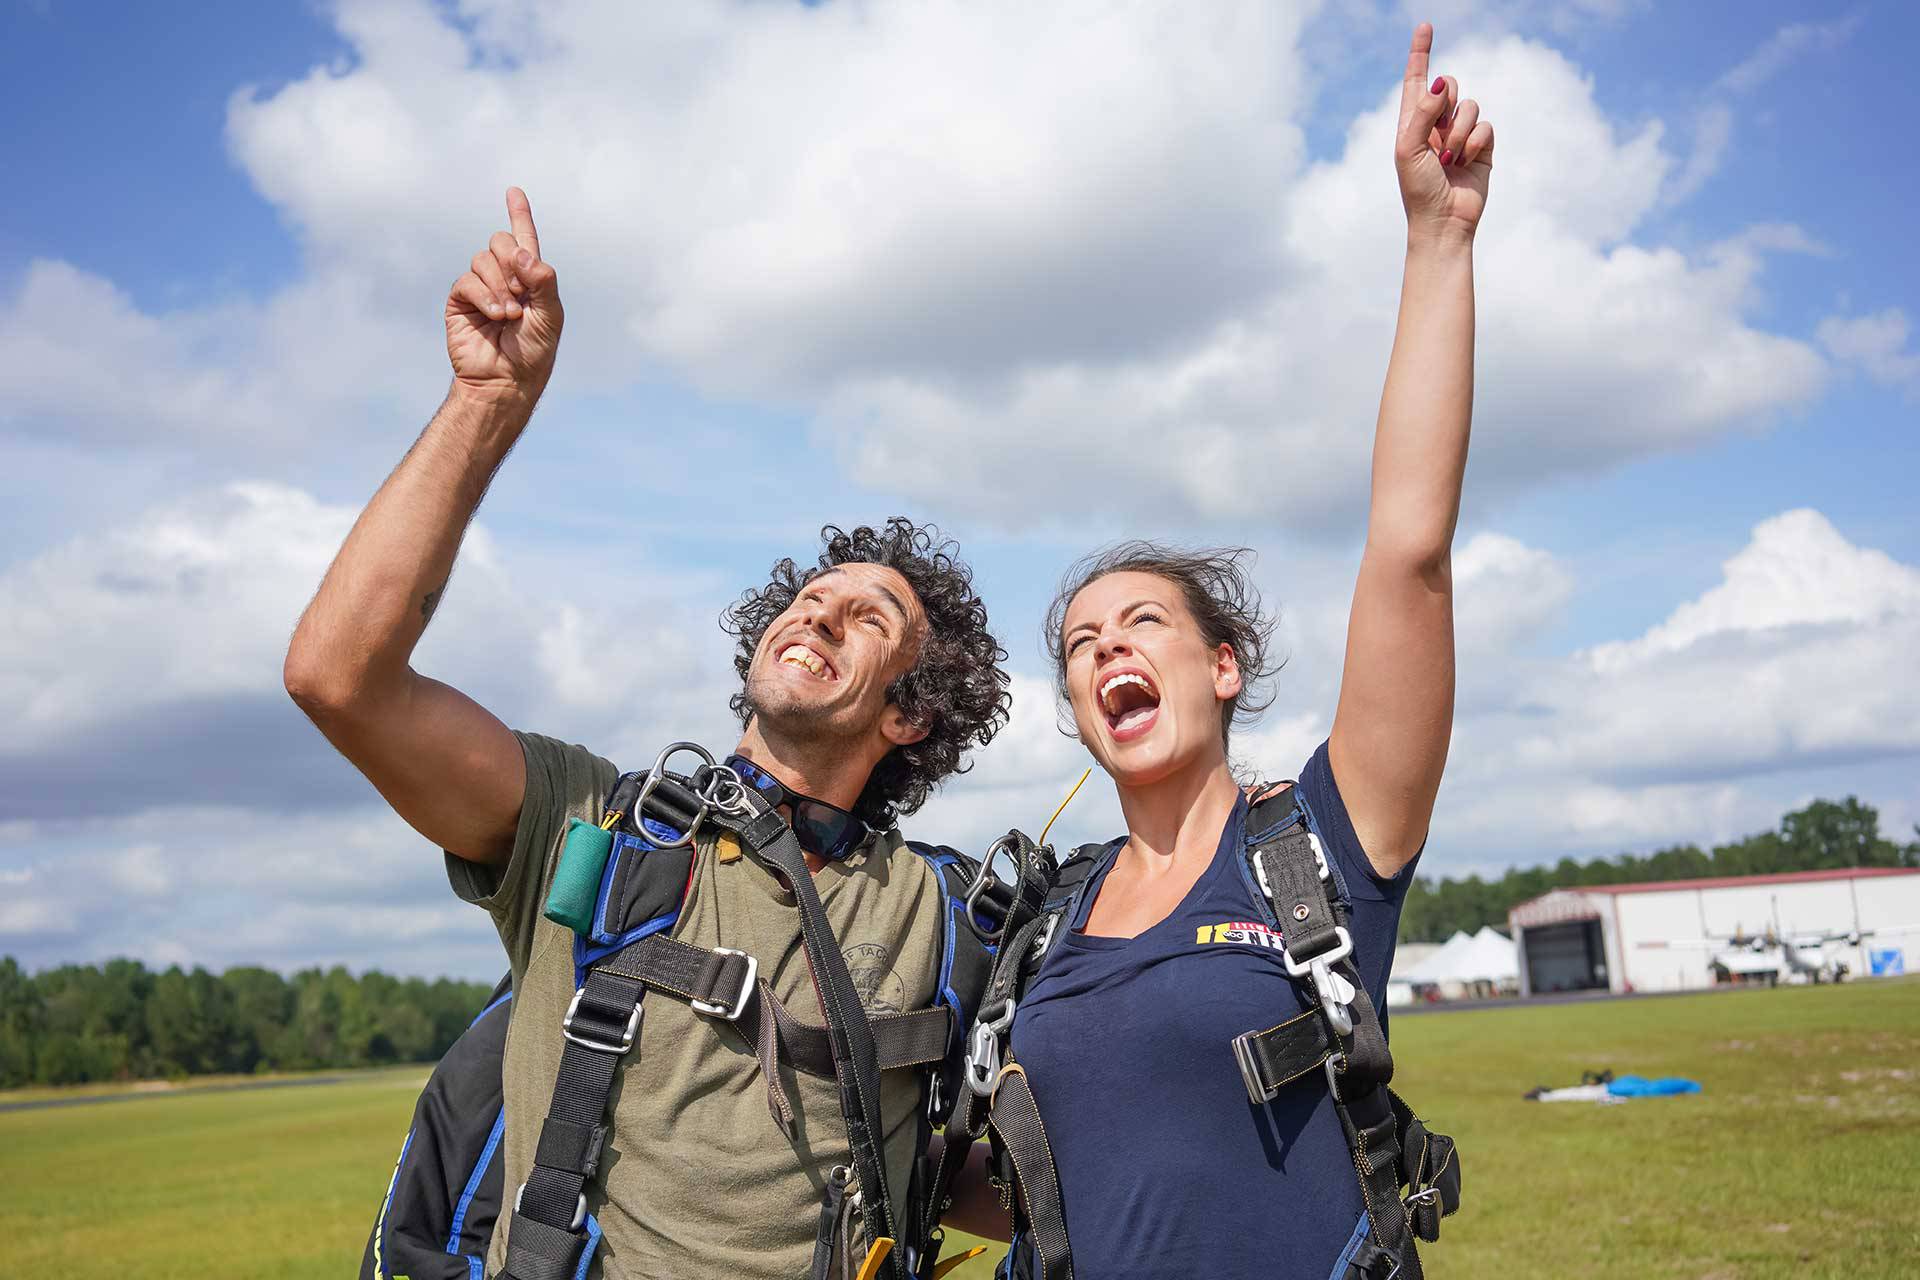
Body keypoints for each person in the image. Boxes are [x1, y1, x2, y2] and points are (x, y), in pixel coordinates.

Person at [283, 188, 1012, 1280]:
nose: (817, 612)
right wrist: (488, 401)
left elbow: (1003, 1167)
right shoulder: (588, 822)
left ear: (909, 713)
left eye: (869, 617)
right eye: (810, 597)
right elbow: (338, 674)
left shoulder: (938, 911)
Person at [941, 23, 1488, 1280]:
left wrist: (1437, 240)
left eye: (1140, 624)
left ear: (1224, 664)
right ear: (1079, 705)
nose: (1104, 650)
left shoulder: (1324, 852)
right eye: (1082, 645)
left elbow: (1410, 549)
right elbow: (1023, 1185)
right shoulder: (1043, 927)